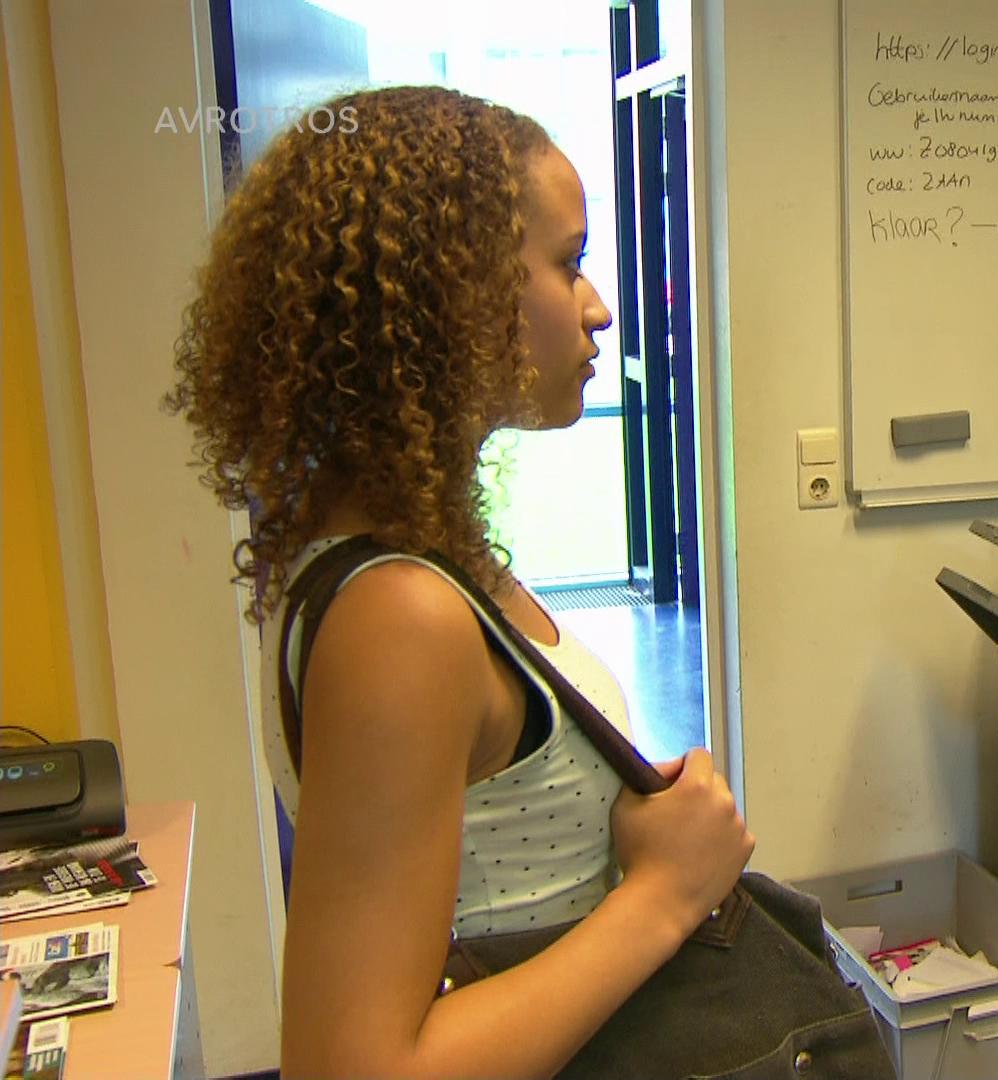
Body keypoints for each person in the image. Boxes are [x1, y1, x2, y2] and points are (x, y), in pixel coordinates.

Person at [165, 86, 754, 1077]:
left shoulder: (420, 561)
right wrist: (666, 894)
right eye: (568, 263)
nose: (599, 307)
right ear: (453, 295)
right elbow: (355, 1069)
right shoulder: (400, 614)